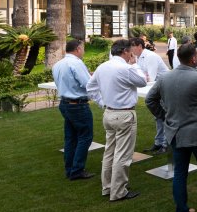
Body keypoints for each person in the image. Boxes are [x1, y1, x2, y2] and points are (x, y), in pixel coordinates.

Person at [146, 42, 197, 212]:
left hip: (176, 133)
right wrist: (164, 116)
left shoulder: (165, 78)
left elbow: (150, 100)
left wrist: (164, 116)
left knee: (180, 173)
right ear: (194, 58)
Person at [86, 39, 148, 202]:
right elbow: (142, 81)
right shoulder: (126, 68)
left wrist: (102, 102)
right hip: (124, 115)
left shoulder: (102, 67)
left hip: (109, 113)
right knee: (123, 154)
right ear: (125, 52)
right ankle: (118, 191)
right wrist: (135, 64)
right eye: (130, 52)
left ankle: (107, 187)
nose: (131, 55)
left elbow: (90, 88)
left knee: (109, 152)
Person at [51, 39, 95, 180]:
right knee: (85, 136)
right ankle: (77, 170)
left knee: (70, 138)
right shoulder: (76, 63)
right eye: (83, 48)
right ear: (77, 49)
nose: (83, 51)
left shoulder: (58, 64)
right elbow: (87, 84)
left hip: (65, 104)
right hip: (78, 105)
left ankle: (70, 168)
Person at [132, 37, 169, 155]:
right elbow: (141, 77)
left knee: (164, 116)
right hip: (157, 89)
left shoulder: (150, 56)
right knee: (159, 116)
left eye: (131, 46)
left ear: (139, 46)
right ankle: (158, 143)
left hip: (164, 89)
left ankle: (165, 144)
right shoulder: (138, 57)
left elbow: (150, 78)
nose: (129, 49)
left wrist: (143, 78)